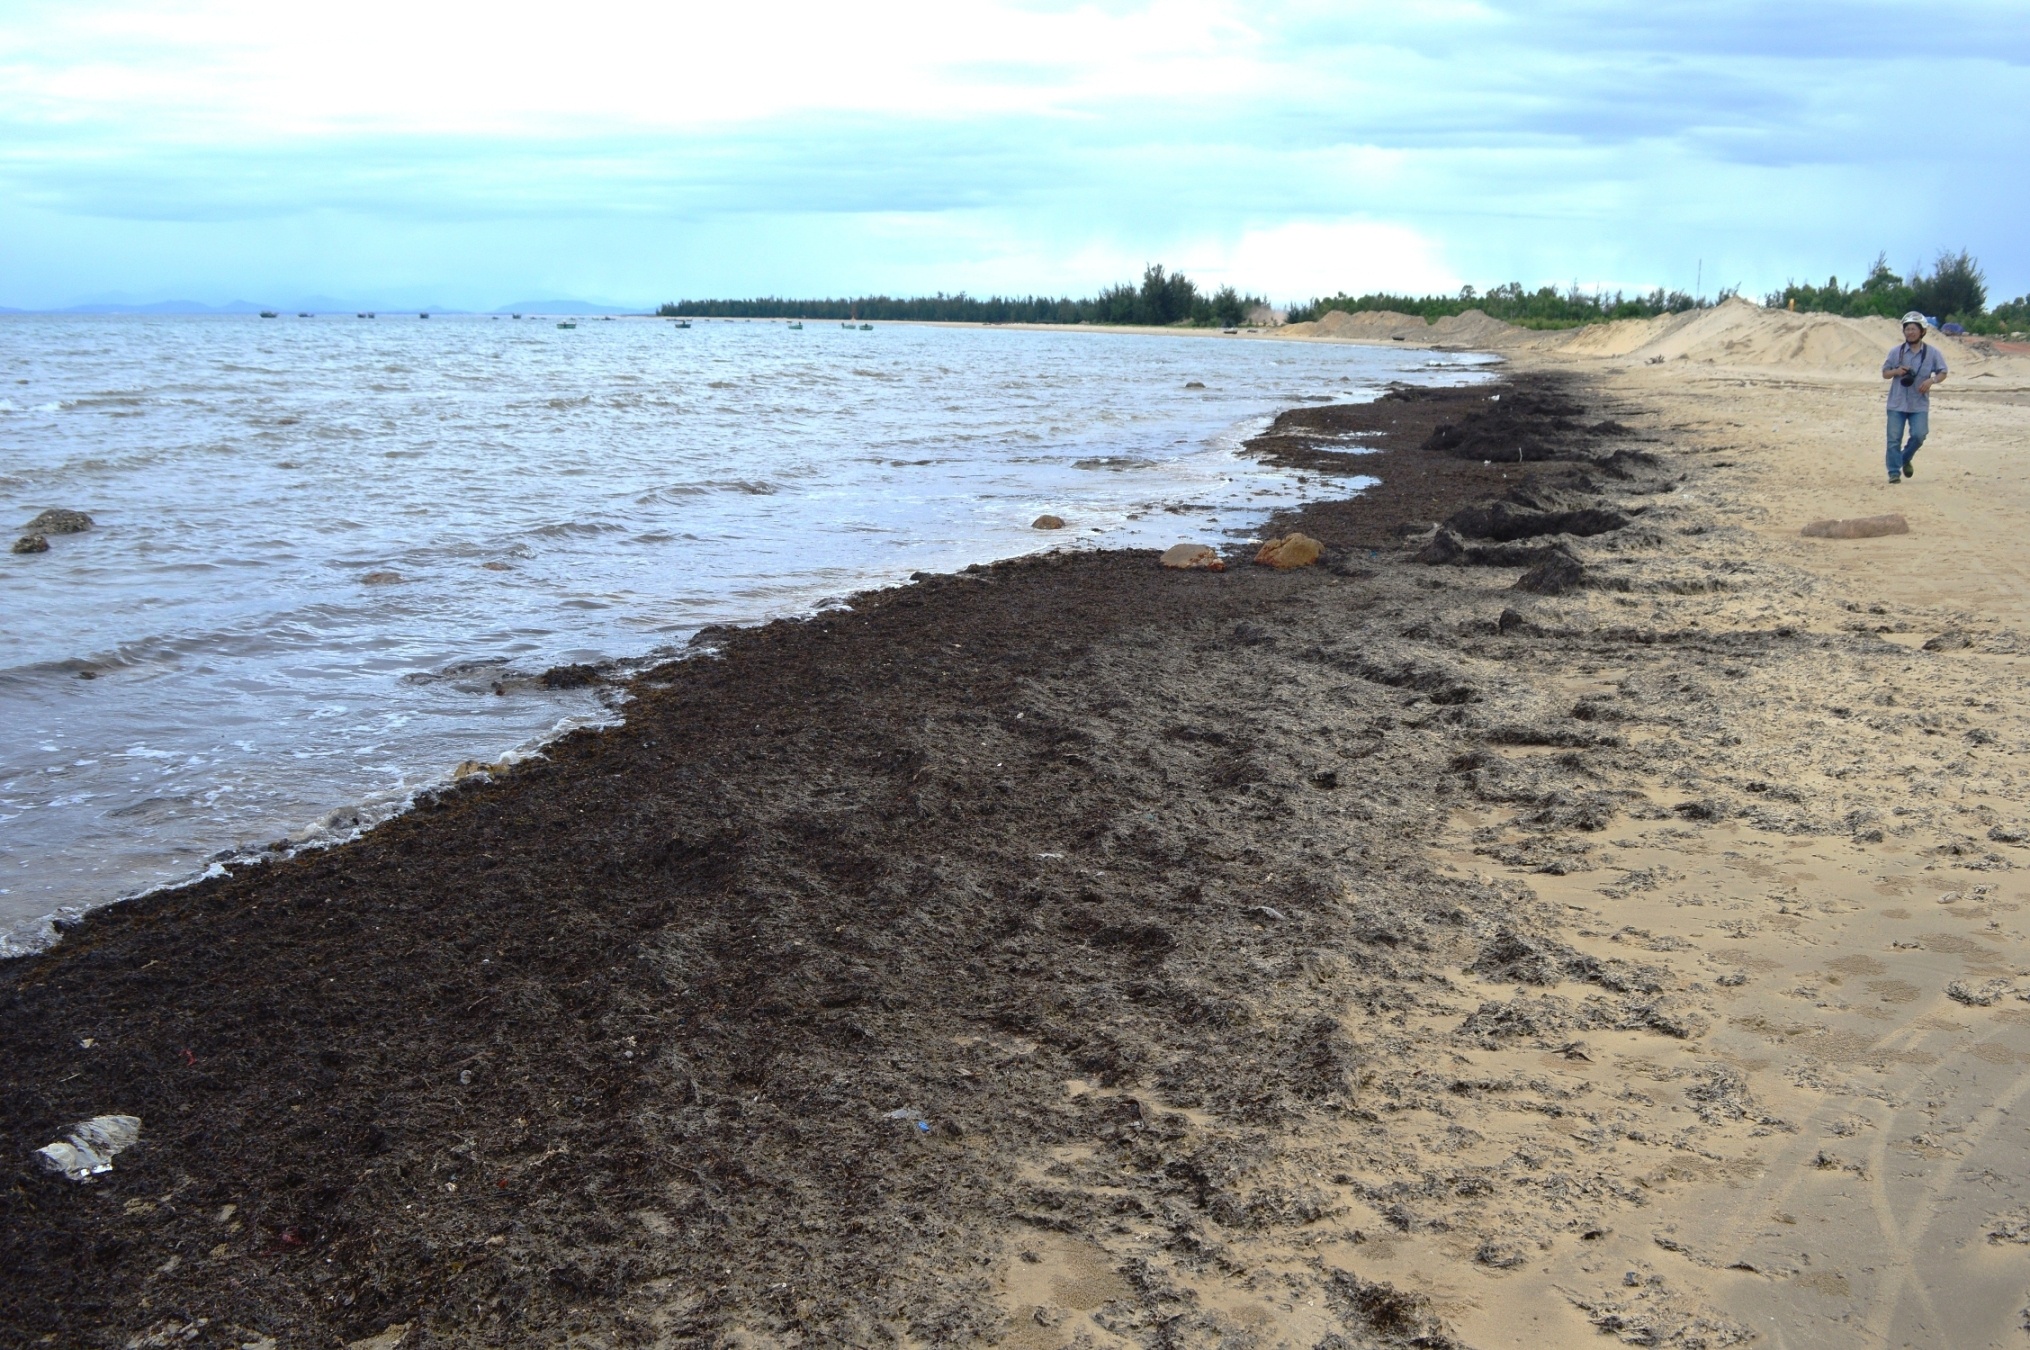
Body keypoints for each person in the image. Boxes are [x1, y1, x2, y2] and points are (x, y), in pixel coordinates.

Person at [1882, 311, 1947, 483]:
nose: (1910, 332)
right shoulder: (1895, 352)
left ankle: (1905, 458)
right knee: (1893, 440)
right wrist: (1897, 371)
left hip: (1919, 403)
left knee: (1920, 435)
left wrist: (1931, 381)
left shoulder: (1932, 353)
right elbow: (1885, 373)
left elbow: (1943, 372)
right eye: (1907, 329)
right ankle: (1894, 473)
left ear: (1922, 331)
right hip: (1896, 403)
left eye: (1913, 329)